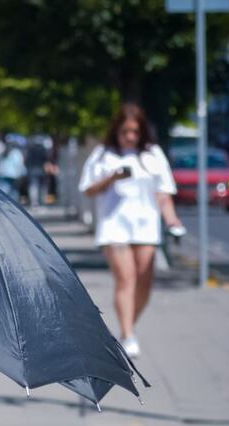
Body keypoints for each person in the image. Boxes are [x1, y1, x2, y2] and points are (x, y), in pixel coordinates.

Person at [79, 103, 184, 358]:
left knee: (144, 281)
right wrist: (111, 178)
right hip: (114, 226)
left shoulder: (153, 155)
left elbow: (163, 195)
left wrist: (172, 221)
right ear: (116, 130)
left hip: (145, 225)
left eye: (135, 131)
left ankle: (128, 326)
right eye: (125, 131)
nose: (130, 137)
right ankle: (127, 335)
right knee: (126, 279)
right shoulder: (103, 154)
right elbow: (88, 189)